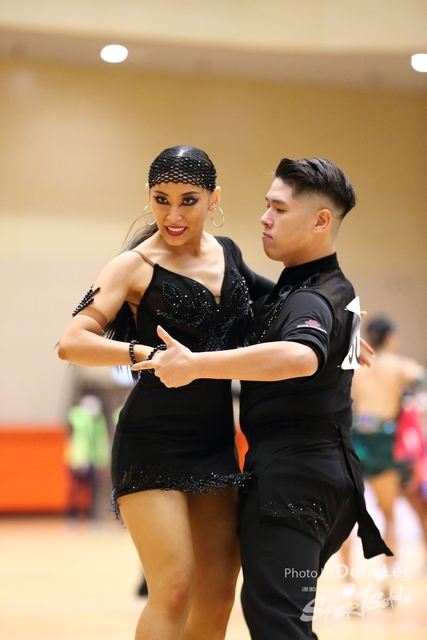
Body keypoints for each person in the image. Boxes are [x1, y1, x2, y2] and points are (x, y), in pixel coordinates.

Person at [134, 157, 392, 639]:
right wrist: (345, 327)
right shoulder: (305, 290)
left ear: (320, 221)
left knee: (277, 619)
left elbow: (301, 355)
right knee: (276, 612)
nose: (265, 218)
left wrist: (196, 364)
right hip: (321, 474)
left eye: (279, 208)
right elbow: (270, 305)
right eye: (266, 205)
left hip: (297, 477)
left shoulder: (312, 297)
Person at [58, 145, 274, 640]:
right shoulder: (132, 266)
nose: (173, 215)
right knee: (174, 588)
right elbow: (72, 342)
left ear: (214, 199)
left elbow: (282, 302)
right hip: (151, 441)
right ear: (149, 197)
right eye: (162, 199)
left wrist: (342, 319)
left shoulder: (229, 254)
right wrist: (148, 354)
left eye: (188, 201)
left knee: (218, 596)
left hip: (215, 443)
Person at [341, 315, 427, 593]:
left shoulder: (355, 365)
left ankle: (348, 583)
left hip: (356, 437)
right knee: (388, 512)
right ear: (390, 337)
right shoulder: (400, 366)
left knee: (346, 514)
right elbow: (422, 381)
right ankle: (386, 574)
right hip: (383, 440)